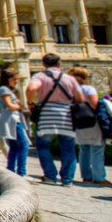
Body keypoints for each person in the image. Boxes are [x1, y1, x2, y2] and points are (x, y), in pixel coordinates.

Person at [26, 53, 84, 186]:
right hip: (66, 117)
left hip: (46, 116)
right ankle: (67, 179)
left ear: (43, 64)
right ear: (59, 64)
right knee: (68, 148)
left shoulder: (40, 76)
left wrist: (30, 103)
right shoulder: (69, 79)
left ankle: (50, 176)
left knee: (43, 146)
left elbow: (31, 88)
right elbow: (80, 99)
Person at [68, 66, 112, 186]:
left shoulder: (70, 90)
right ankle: (99, 177)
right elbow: (94, 105)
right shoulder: (88, 89)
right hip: (92, 122)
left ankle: (87, 176)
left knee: (84, 150)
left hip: (78, 122)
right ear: (86, 77)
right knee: (97, 149)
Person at [0, 68, 30, 178]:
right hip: (13, 119)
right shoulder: (4, 89)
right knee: (23, 145)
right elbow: (9, 105)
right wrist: (20, 106)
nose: (16, 81)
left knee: (14, 146)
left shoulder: (5, 89)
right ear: (7, 79)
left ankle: (11, 169)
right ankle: (21, 172)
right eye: (14, 79)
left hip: (11, 118)